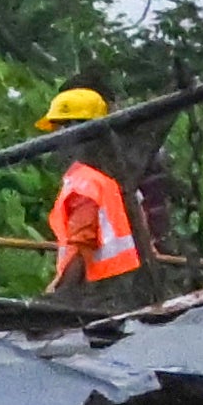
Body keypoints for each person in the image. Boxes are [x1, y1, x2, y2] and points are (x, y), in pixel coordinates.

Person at [34, 87, 145, 293]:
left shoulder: (85, 183)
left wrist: (58, 291)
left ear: (78, 130)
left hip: (97, 292)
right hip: (125, 290)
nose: (56, 138)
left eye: (60, 127)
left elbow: (81, 250)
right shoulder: (117, 177)